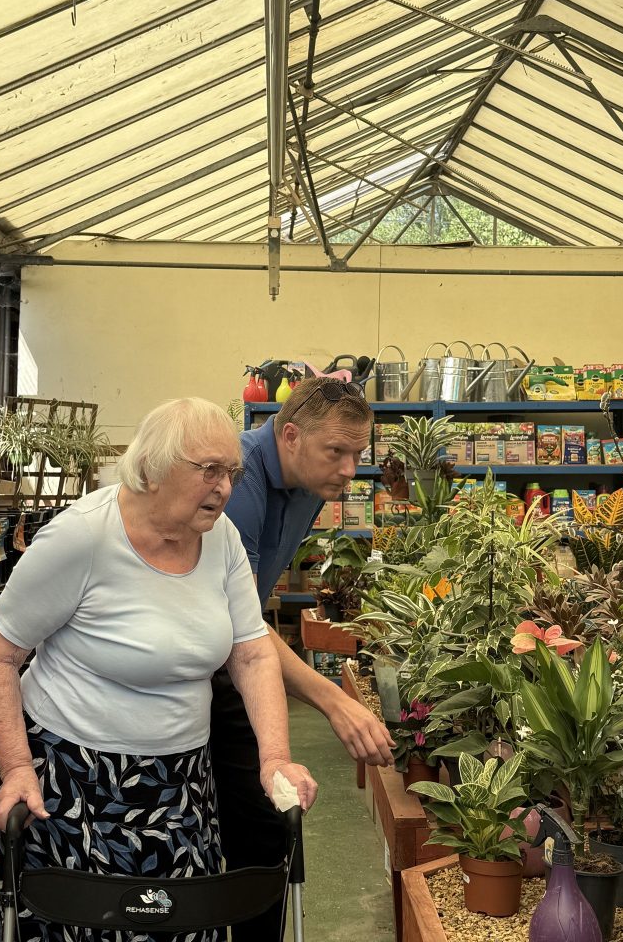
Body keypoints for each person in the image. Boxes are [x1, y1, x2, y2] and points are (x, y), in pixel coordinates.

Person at [0, 397, 318, 942]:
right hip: (73, 781)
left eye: (231, 473)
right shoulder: (81, 537)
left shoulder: (221, 539)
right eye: (209, 470)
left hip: (182, 784)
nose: (225, 487)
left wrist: (275, 757)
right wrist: (16, 766)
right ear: (154, 468)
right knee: (83, 925)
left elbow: (251, 652)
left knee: (183, 923)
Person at [214, 377, 396, 942]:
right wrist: (333, 699)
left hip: (230, 664)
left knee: (268, 829)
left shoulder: (309, 485)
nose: (349, 469)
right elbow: (233, 626)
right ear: (290, 435)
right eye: (336, 452)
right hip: (186, 671)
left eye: (357, 454)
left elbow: (250, 613)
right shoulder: (237, 480)